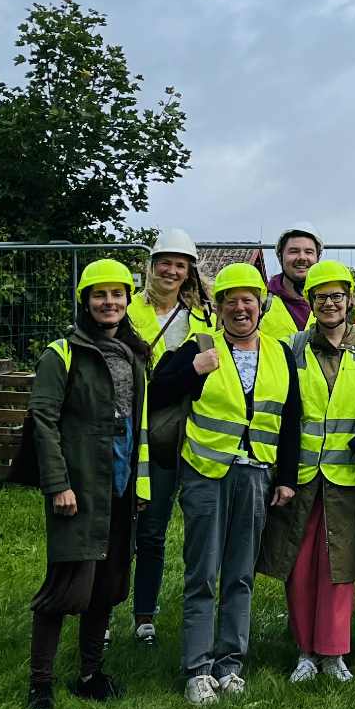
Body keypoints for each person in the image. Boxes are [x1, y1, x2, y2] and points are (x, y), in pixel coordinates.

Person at [149, 262, 301, 705]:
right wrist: (192, 369)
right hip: (205, 472)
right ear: (217, 308)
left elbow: (291, 417)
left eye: (248, 300)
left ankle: (230, 663)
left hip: (256, 475)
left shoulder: (280, 352)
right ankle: (198, 669)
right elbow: (155, 394)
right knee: (203, 574)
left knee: (240, 575)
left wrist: (286, 478)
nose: (240, 308)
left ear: (261, 305)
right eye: (230, 300)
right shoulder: (198, 347)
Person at [24, 258, 153, 709]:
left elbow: (138, 426)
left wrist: (141, 485)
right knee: (66, 586)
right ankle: (40, 685)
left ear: (127, 300)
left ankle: (89, 675)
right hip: (79, 485)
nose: (109, 302)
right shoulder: (62, 353)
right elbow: (43, 419)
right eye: (100, 295)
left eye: (117, 294)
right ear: (85, 300)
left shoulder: (134, 355)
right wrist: (58, 483)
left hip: (120, 486)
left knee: (107, 584)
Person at [258, 260, 355, 684]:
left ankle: (334, 652)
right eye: (321, 297)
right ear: (309, 302)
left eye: (337, 296)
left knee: (339, 565)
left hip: (349, 477)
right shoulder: (292, 347)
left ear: (350, 301)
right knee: (299, 563)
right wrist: (282, 474)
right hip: (301, 477)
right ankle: (305, 652)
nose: (330, 304)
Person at [124, 229, 214, 647]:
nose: (171, 271)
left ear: (189, 272)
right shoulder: (129, 310)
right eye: (166, 262)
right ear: (152, 265)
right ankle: (108, 608)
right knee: (128, 527)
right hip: (134, 424)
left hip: (180, 429)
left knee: (156, 528)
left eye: (180, 265)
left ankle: (145, 615)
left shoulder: (202, 318)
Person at [261, 227, 323, 341]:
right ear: (280, 257)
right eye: (293, 251)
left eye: (309, 252)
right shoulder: (261, 304)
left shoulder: (330, 304)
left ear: (317, 258)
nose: (302, 257)